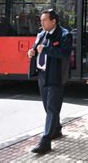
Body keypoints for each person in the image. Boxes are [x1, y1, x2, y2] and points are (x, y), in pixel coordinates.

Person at [27, 9, 72, 155]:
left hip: (55, 76)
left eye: (44, 20)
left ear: (53, 21)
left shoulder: (65, 34)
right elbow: (36, 49)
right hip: (42, 75)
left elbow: (64, 53)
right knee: (48, 107)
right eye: (41, 20)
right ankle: (56, 129)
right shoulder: (41, 34)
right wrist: (31, 52)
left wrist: (46, 49)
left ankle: (45, 142)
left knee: (52, 108)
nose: (41, 23)